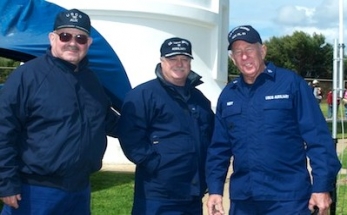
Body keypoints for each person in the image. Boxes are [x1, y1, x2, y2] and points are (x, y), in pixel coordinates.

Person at [205, 25, 341, 215]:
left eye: (249, 50)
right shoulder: (229, 94)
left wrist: (321, 186)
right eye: (238, 52)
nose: (244, 57)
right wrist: (215, 189)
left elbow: (318, 139)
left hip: (288, 199)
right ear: (233, 59)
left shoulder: (290, 84)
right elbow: (219, 148)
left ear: (263, 50)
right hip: (244, 200)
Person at [0, 9, 119, 214]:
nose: (73, 43)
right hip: (34, 191)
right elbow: (3, 131)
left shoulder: (91, 81)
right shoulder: (27, 76)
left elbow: (109, 120)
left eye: (80, 38)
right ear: (52, 38)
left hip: (79, 190)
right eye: (65, 36)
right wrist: (6, 182)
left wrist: (154, 126)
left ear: (88, 43)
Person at [118, 37, 214, 215]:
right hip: (158, 196)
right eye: (172, 59)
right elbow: (130, 138)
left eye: (184, 59)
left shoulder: (199, 99)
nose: (179, 64)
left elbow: (210, 137)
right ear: (162, 61)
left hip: (193, 194)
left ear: (190, 63)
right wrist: (156, 166)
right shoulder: (142, 95)